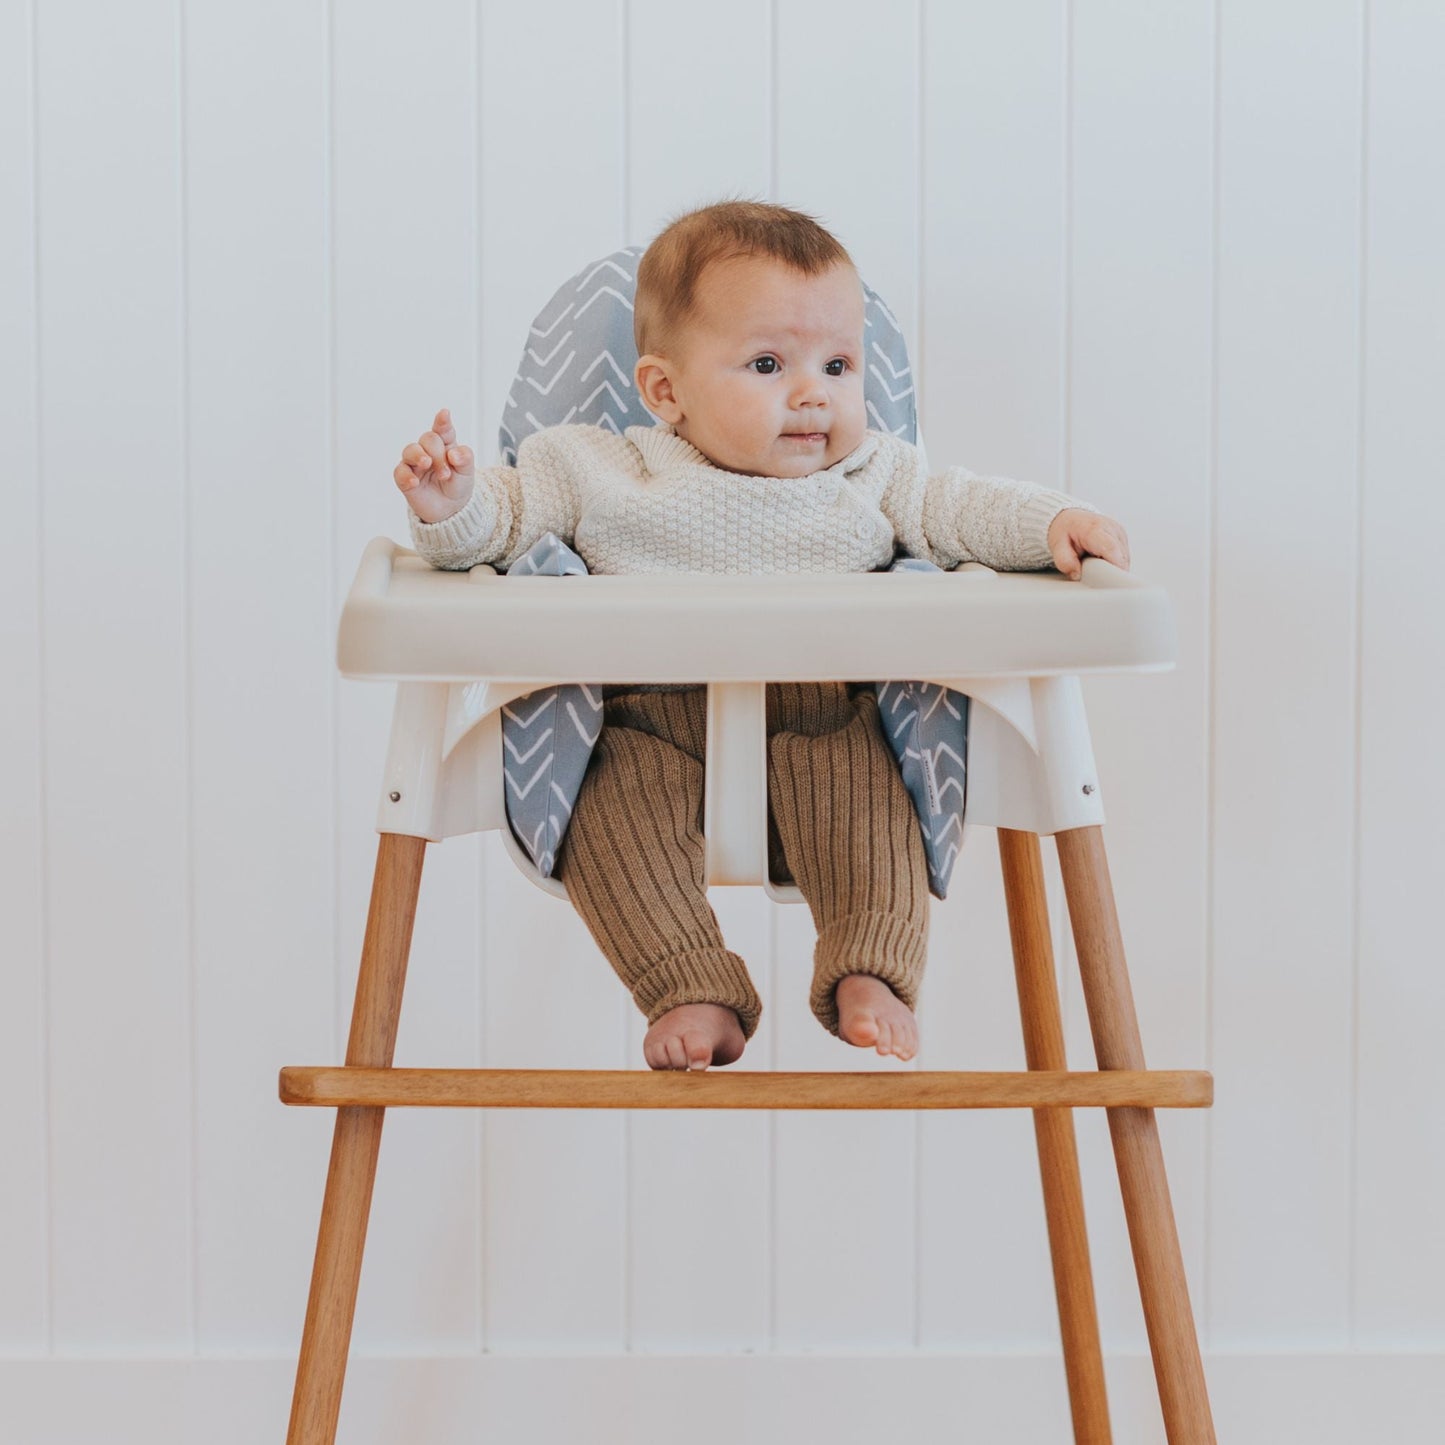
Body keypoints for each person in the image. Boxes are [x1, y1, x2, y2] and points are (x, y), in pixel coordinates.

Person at [392, 200, 1130, 1073]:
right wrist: (451, 506)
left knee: (873, 791)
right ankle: (688, 981)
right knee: (603, 812)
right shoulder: (593, 464)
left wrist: (1053, 522)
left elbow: (960, 508)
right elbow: (503, 523)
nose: (813, 392)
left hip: (825, 722)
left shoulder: (873, 472)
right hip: (642, 725)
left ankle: (870, 965)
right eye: (769, 363)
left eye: (839, 363)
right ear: (664, 391)